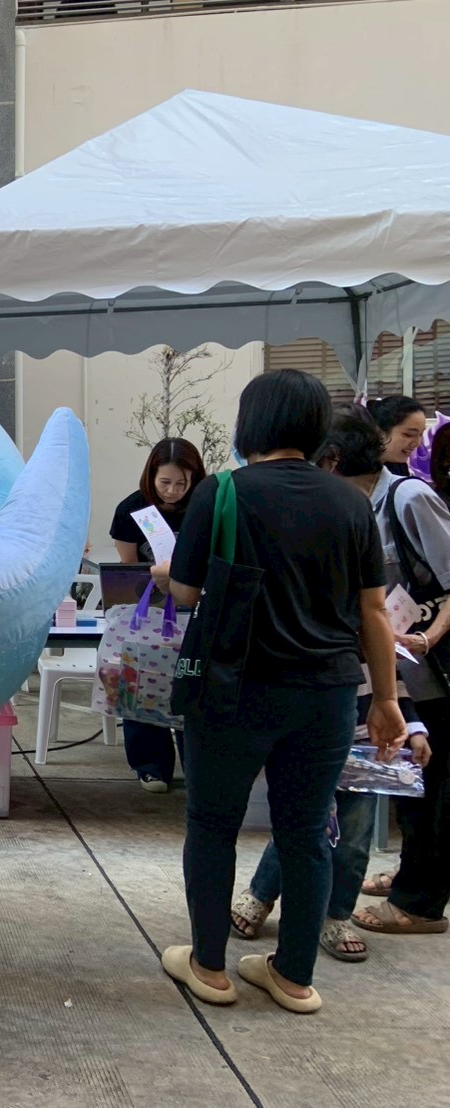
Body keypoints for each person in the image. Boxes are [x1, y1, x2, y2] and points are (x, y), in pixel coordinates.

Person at [157, 369, 405, 1014]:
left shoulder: (222, 492)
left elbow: (185, 591)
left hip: (232, 689)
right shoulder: (350, 502)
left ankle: (209, 968)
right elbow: (373, 611)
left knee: (212, 825)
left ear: (251, 423)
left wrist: (170, 570)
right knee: (306, 832)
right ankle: (294, 977)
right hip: (327, 695)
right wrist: (386, 701)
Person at [231, 409, 434, 961]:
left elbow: (385, 650)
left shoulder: (360, 550)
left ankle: (334, 914)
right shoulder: (301, 542)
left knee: (353, 826)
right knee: (306, 819)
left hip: (363, 719)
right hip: (314, 705)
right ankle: (261, 894)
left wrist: (406, 715)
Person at [349, 406, 450, 939]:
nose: (413, 444)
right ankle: (412, 874)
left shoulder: (409, 497)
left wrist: (430, 637)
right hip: (401, 666)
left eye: (417, 434)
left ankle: (421, 902)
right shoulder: (360, 502)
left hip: (432, 665)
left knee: (435, 786)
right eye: (407, 434)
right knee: (414, 780)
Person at [109, 437, 206, 791]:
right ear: (151, 476)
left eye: (182, 483)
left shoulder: (204, 507)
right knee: (143, 682)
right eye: (165, 482)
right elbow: (128, 569)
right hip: (148, 613)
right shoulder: (131, 510)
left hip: (195, 611)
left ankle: (196, 763)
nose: (173, 491)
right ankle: (150, 764)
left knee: (191, 686)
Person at [368, 394, 427, 476]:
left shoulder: (399, 467)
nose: (418, 443)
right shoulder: (355, 473)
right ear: (379, 432)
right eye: (409, 435)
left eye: (421, 434)